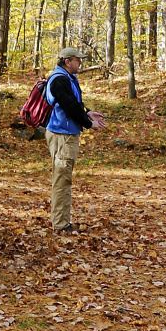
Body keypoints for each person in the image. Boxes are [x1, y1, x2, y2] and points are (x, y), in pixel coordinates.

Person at [44, 47, 104, 232]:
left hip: (66, 135)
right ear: (67, 61)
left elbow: (74, 103)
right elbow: (69, 106)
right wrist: (87, 123)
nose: (80, 63)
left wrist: (87, 112)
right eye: (78, 60)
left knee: (63, 179)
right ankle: (61, 225)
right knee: (62, 180)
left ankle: (62, 221)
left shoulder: (67, 78)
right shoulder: (60, 79)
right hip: (62, 136)